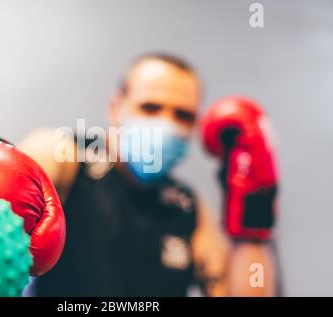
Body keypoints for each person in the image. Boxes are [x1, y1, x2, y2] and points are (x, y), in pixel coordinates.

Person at [18, 53, 277, 296]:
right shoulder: (65, 158)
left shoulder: (187, 206)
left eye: (182, 115)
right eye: (151, 107)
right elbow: (2, 216)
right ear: (116, 107)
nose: (166, 124)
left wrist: (254, 212)